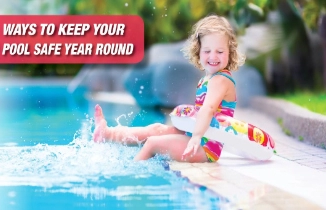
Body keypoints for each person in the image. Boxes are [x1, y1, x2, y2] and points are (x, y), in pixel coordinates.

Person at [92, 14, 245, 163]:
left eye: (220, 51)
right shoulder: (207, 79)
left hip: (205, 146)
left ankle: (132, 173)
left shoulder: (221, 80)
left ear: (230, 53)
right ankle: (108, 133)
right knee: (156, 128)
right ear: (198, 52)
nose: (213, 56)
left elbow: (208, 109)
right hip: (196, 135)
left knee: (152, 143)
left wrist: (196, 137)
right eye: (207, 51)